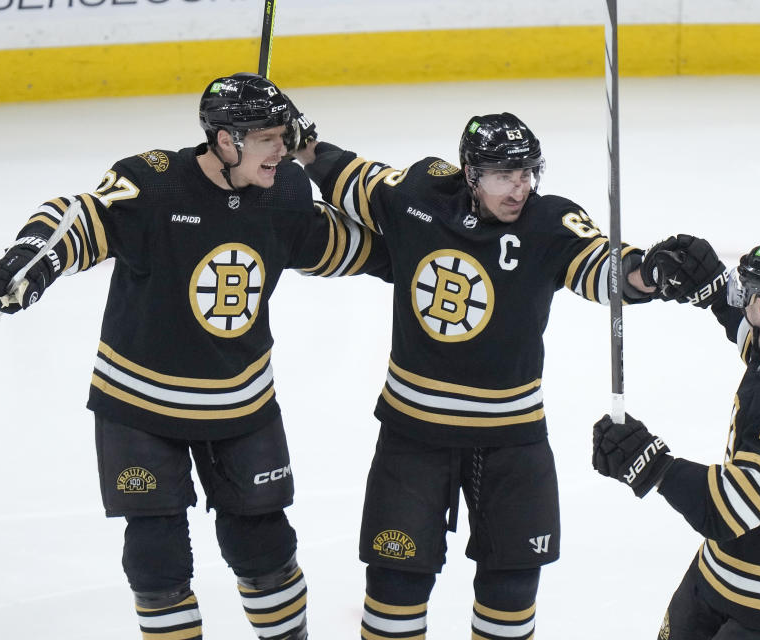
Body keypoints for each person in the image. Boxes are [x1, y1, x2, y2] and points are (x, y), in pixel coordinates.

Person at [0, 72, 391, 640]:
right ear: (225, 140)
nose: (282, 148)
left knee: (264, 546)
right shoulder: (153, 184)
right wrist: (34, 256)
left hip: (240, 403)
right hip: (139, 404)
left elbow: (348, 247)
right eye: (268, 137)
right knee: (156, 559)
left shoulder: (285, 195)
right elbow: (81, 215)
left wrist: (426, 250)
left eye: (284, 135)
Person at [292, 112, 722, 639]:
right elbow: (353, 178)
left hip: (511, 441)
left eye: (526, 174)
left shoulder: (549, 223)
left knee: (512, 591)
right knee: (394, 588)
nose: (518, 189)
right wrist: (304, 148)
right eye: (503, 176)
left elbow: (602, 267)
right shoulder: (419, 193)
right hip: (413, 435)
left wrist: (650, 272)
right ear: (470, 174)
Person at [592, 239, 760, 639]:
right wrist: (712, 287)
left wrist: (651, 465)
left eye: (745, 293)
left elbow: (731, 509)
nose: (740, 300)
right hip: (726, 573)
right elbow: (751, 333)